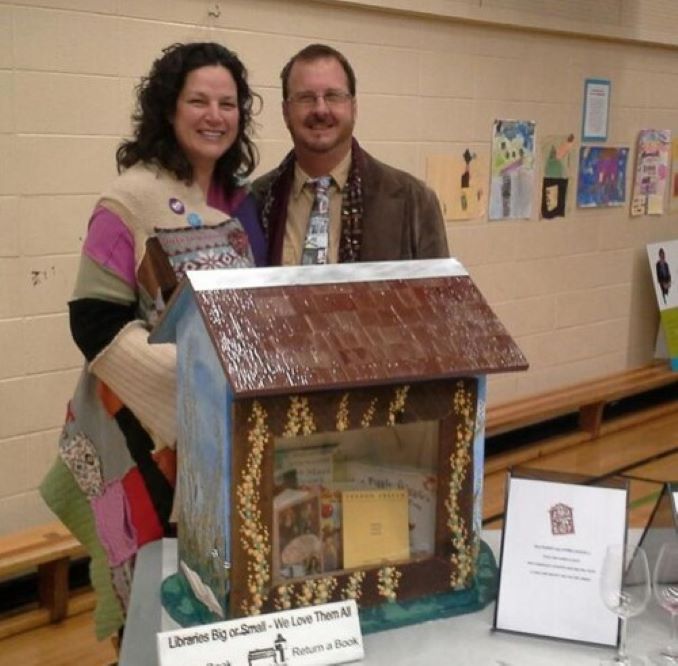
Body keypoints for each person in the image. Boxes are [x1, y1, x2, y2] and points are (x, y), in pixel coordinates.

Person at [40, 42, 265, 640]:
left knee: (214, 590)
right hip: (144, 426)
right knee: (150, 596)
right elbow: (94, 322)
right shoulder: (129, 199)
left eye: (228, 103)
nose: (214, 115)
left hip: (223, 424)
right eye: (198, 101)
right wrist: (187, 394)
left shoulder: (239, 202)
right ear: (169, 109)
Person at [253, 43, 449, 265]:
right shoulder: (256, 201)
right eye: (306, 98)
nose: (320, 110)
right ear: (286, 112)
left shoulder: (414, 201)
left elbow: (440, 297)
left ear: (353, 108)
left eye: (333, 96)